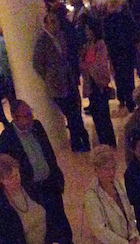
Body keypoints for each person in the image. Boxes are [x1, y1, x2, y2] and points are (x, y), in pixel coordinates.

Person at [0, 102, 82, 244]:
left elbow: (48, 150)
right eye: (26, 115)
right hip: (32, 186)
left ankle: (67, 242)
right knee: (42, 219)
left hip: (49, 180)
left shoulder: (37, 126)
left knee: (59, 212)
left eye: (30, 113)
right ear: (15, 117)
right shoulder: (7, 138)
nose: (31, 118)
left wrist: (56, 171)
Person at [35, 10, 91, 152]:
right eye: (52, 22)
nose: (56, 24)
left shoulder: (60, 37)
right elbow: (37, 65)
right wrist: (50, 77)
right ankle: (80, 141)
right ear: (46, 25)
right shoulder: (42, 42)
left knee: (75, 112)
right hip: (57, 86)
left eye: (56, 21)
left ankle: (78, 143)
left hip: (69, 80)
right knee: (71, 115)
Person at [80, 21, 117, 148]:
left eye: (88, 29)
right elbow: (83, 64)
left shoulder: (100, 45)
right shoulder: (87, 46)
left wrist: (88, 67)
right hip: (91, 85)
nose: (86, 32)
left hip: (99, 84)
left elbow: (100, 64)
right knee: (96, 115)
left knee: (104, 115)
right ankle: (103, 142)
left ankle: (110, 143)